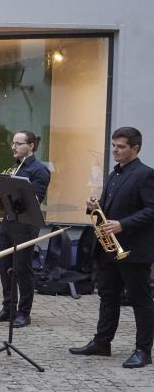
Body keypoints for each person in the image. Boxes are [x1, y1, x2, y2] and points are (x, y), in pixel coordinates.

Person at [70, 127, 154, 368]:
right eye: (114, 145)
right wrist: (93, 207)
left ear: (135, 148)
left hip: (134, 249)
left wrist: (122, 225)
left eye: (121, 146)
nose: (115, 150)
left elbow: (151, 210)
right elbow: (111, 209)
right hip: (109, 249)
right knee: (108, 296)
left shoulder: (146, 174)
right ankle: (102, 342)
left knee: (140, 300)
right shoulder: (114, 173)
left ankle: (143, 350)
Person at [0, 130, 50, 327]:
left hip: (26, 224)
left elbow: (36, 200)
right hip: (8, 221)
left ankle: (24, 312)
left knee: (23, 268)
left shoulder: (39, 170)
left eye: (18, 143)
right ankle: (8, 308)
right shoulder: (15, 167)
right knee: (5, 266)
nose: (13, 147)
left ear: (30, 146)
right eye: (13, 143)